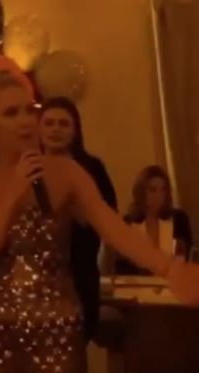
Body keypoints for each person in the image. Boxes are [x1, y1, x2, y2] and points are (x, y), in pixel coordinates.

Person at [0, 72, 199, 373]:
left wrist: (171, 268)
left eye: (29, 110)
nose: (26, 121)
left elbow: (115, 229)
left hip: (57, 327)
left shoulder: (66, 172)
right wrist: (12, 196)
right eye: (11, 113)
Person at [39, 97, 117, 341]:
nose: (55, 129)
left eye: (63, 124)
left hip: (80, 272)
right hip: (38, 277)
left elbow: (109, 217)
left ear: (75, 130)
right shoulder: (27, 167)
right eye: (49, 123)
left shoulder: (92, 168)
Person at [117, 165, 192, 274]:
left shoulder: (179, 219)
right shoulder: (128, 222)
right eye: (152, 190)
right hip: (139, 282)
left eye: (163, 190)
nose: (159, 196)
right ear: (141, 192)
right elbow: (122, 266)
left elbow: (186, 258)